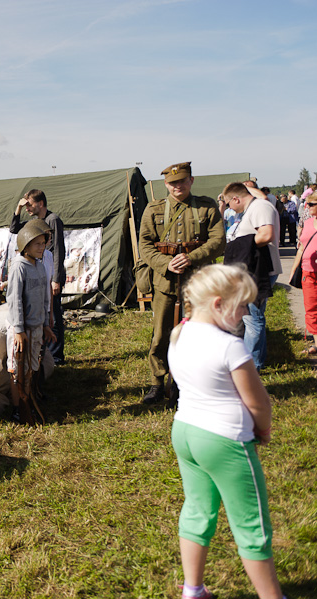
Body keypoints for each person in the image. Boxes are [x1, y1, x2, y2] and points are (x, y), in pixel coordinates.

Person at [168, 264, 284, 599]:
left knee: (197, 509)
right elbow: (259, 403)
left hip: (186, 433)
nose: (247, 311)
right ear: (218, 304)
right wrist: (263, 430)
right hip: (225, 441)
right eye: (243, 304)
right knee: (252, 523)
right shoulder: (230, 346)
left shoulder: (181, 332)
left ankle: (193, 589)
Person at [139, 162, 225, 405]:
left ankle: (186, 382)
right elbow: (144, 245)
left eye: (182, 181)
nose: (178, 186)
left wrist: (190, 257)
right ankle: (158, 382)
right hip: (165, 282)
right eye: (173, 183)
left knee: (195, 335)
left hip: (197, 283)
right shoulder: (153, 209)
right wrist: (165, 263)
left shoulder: (207, 207)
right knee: (161, 335)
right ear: (166, 184)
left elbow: (219, 241)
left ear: (191, 181)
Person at [223, 183, 281, 371]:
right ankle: (253, 360)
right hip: (253, 269)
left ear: (236, 199)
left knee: (252, 318)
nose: (230, 208)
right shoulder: (253, 208)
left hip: (259, 270)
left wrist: (238, 245)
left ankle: (252, 365)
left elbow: (266, 234)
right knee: (250, 317)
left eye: (229, 204)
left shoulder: (260, 207)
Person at [6, 219, 55, 424]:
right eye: (37, 244)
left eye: (44, 244)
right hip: (21, 329)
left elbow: (45, 296)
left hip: (36, 327)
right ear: (25, 245)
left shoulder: (41, 266)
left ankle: (30, 401)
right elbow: (14, 299)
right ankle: (18, 409)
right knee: (17, 371)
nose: (42, 247)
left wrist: (45, 324)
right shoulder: (19, 267)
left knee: (32, 368)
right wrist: (18, 329)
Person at [10, 189, 66, 364]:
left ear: (40, 203)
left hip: (50, 274)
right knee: (43, 314)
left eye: (29, 204)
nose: (27, 208)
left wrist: (56, 278)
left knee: (54, 316)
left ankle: (56, 357)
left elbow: (58, 249)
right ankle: (46, 354)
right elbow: (14, 229)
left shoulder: (52, 220)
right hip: (39, 274)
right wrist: (17, 209)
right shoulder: (35, 222)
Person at [289, 195, 317, 355]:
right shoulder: (306, 223)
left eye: (311, 204)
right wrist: (294, 270)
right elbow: (302, 247)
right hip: (308, 271)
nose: (307, 206)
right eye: (307, 203)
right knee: (311, 308)